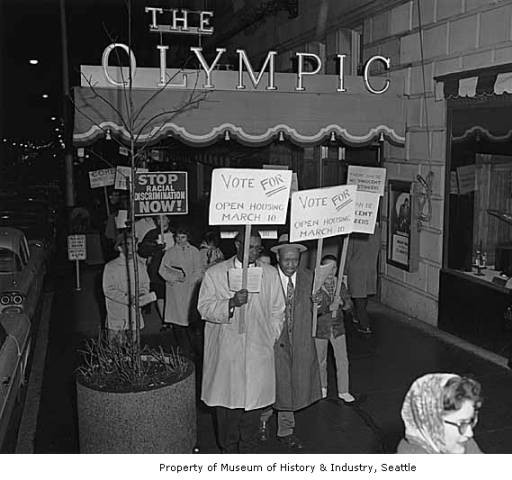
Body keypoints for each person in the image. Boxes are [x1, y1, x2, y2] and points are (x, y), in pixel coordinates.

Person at [197, 230, 285, 453]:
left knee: (252, 420)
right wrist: (231, 303)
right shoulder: (216, 274)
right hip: (228, 354)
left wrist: (270, 336)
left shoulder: (270, 274)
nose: (254, 252)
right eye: (249, 247)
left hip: (258, 353)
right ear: (237, 245)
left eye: (257, 247)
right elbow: (204, 308)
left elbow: (278, 310)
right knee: (228, 417)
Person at [259, 235, 322, 450]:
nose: (291, 265)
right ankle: (263, 419)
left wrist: (320, 303)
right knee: (270, 386)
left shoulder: (309, 278)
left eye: (295, 260)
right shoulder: (266, 278)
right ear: (278, 257)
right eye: (287, 260)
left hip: (299, 342)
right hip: (274, 341)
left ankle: (286, 431)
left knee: (289, 389)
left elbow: (320, 309)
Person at [397, 373, 483, 454]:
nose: (470, 433)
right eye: (462, 423)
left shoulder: (463, 443)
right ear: (432, 423)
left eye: (471, 421)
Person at [314, 255, 355, 404]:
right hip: (321, 328)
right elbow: (312, 311)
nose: (331, 272)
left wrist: (343, 302)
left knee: (342, 359)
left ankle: (344, 390)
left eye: (334, 268)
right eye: (328, 268)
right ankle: (322, 387)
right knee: (320, 360)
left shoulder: (340, 285)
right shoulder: (317, 286)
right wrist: (325, 308)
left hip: (338, 328)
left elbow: (350, 306)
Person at [159, 226, 201, 355]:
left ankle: (195, 348)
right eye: (177, 237)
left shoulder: (194, 251)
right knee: (177, 320)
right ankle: (183, 348)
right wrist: (174, 278)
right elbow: (162, 270)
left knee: (190, 319)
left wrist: (190, 280)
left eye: (183, 237)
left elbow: (199, 269)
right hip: (175, 290)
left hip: (190, 289)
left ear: (188, 237)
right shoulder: (170, 252)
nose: (180, 240)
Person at [102, 233, 151, 343]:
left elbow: (145, 285)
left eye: (134, 244)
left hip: (134, 315)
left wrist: (142, 294)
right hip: (117, 314)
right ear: (119, 248)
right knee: (115, 351)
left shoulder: (140, 265)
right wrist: (129, 298)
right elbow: (108, 290)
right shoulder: (111, 267)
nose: (132, 247)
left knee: (133, 348)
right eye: (128, 244)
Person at [137, 215, 174, 328]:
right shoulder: (152, 233)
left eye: (163, 218)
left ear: (169, 219)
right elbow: (142, 250)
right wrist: (155, 247)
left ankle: (173, 318)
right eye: (158, 219)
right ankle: (165, 320)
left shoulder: (175, 232)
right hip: (157, 269)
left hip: (172, 268)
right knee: (160, 295)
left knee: (172, 295)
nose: (160, 221)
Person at [345, 225, 381, 334]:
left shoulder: (354, 232)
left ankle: (365, 325)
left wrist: (344, 272)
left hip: (356, 269)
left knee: (358, 297)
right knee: (363, 296)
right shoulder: (377, 231)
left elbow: (348, 253)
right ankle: (357, 317)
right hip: (370, 268)